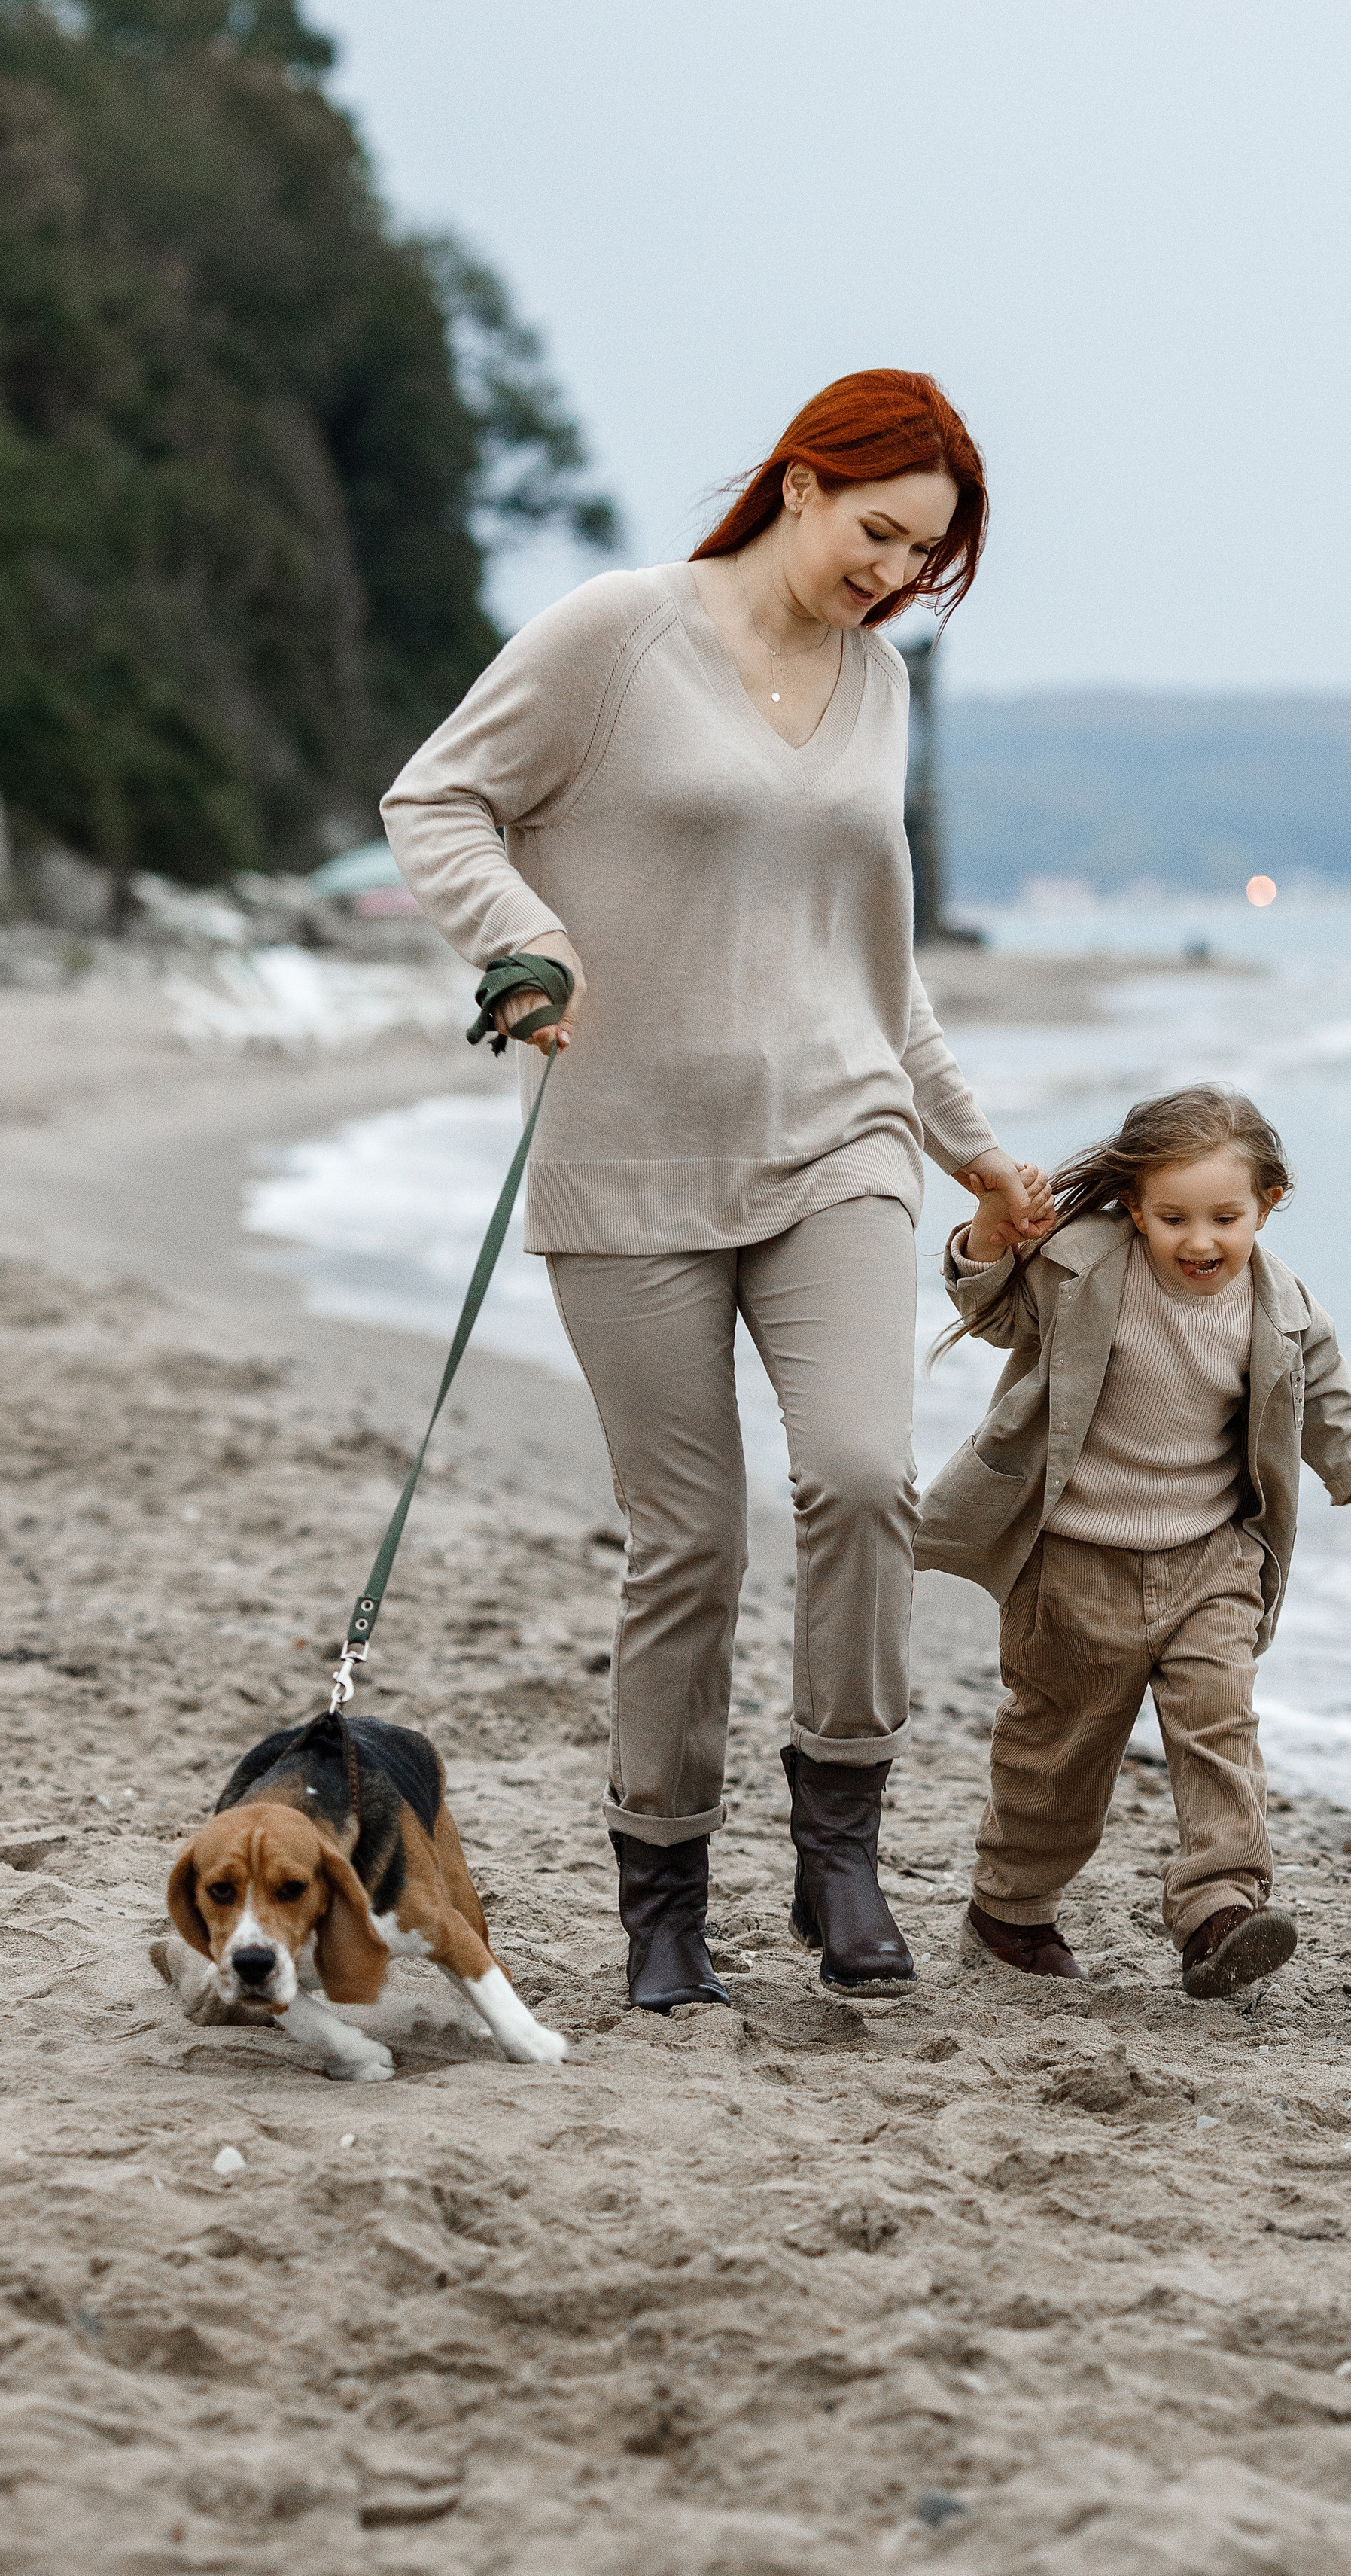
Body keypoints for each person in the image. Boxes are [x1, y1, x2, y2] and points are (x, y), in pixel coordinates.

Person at [382, 370, 1051, 2014]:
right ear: (802, 485)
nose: (890, 576)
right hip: (623, 1148)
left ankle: (840, 1841)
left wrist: (966, 1144)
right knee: (688, 1540)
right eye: (878, 533)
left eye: (924, 559)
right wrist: (522, 940)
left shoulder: (879, 681)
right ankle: (662, 1890)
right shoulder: (618, 632)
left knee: (860, 1474)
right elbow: (434, 799)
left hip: (837, 1137)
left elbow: (873, 968)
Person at [916, 1083, 1351, 1998]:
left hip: (1210, 1557)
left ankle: (1219, 1911)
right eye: (1172, 1217)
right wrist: (989, 1230)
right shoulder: (1083, 1264)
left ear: (1268, 1204)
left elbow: (1327, 1396)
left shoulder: (1284, 1304)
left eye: (1225, 1217)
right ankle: (1010, 1914)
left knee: (1220, 1732)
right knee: (1056, 1752)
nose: (1200, 1241)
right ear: (1133, 1208)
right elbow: (994, 1314)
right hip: (1069, 1559)